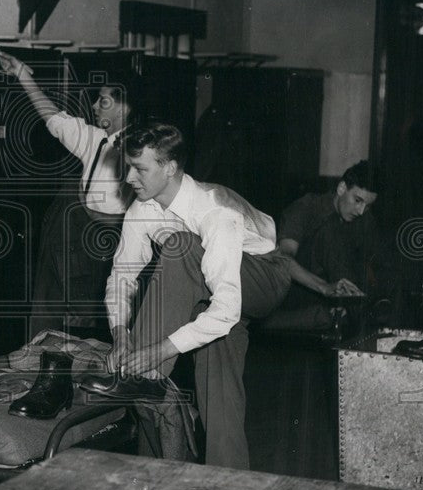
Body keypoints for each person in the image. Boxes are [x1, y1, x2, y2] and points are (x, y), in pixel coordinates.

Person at [81, 123, 291, 470]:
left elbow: (226, 307)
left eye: (141, 169)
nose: (130, 178)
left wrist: (158, 351)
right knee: (218, 389)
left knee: (181, 245)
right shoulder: (142, 208)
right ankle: (217, 483)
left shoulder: (213, 211)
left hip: (263, 275)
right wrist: (121, 335)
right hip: (209, 285)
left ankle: (142, 379)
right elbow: (121, 276)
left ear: (170, 168)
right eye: (128, 166)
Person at [0, 49, 142, 340]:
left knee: (98, 328)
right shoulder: (97, 141)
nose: (95, 106)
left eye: (103, 101)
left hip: (110, 252)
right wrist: (23, 75)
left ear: (123, 108)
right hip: (74, 249)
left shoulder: (141, 151)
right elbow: (55, 120)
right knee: (60, 321)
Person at [263, 160, 391, 332]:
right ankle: (359, 313)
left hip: (328, 304)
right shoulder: (306, 208)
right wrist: (325, 287)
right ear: (341, 188)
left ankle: (358, 312)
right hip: (291, 296)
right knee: (329, 231)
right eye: (357, 200)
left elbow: (378, 263)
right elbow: (281, 258)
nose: (361, 211)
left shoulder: (364, 219)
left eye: (367, 206)